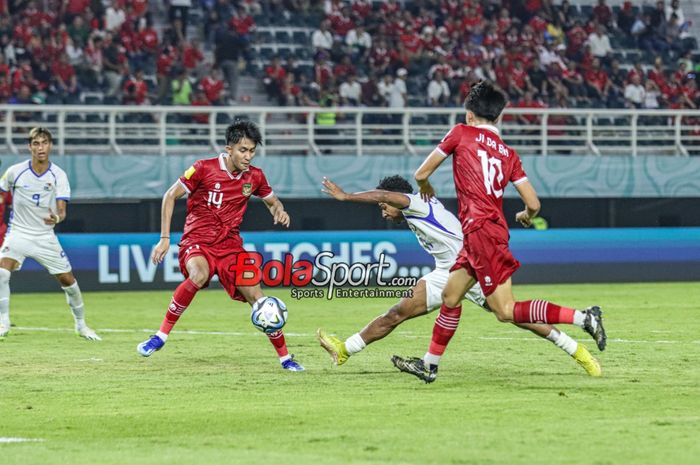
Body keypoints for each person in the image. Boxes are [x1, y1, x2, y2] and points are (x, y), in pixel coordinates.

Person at [392, 82, 606, 383]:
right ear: (498, 118)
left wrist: (425, 186)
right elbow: (533, 203)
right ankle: (429, 365)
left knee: (505, 310)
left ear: (469, 115)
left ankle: (583, 317)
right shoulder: (508, 153)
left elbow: (421, 173)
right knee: (451, 297)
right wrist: (525, 215)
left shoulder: (460, 133)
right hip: (487, 232)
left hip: (480, 231)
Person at [317, 176, 601, 377]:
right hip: (447, 271)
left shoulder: (415, 202)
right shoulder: (419, 209)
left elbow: (384, 195)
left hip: (471, 269)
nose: (383, 212)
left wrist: (346, 196)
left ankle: (578, 350)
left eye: (384, 207)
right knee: (397, 312)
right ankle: (345, 350)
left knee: (515, 316)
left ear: (397, 199)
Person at [136, 120, 304, 372]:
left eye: (252, 151)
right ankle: (160, 337)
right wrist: (164, 238)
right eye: (243, 150)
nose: (248, 156)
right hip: (198, 241)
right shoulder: (202, 168)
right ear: (229, 149)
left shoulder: (255, 176)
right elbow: (170, 196)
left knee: (259, 300)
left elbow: (273, 201)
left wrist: (279, 210)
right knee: (199, 274)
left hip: (231, 247)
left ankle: (285, 358)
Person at [0, 127, 100, 340]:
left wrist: (57, 218)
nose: (40, 147)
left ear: (50, 145)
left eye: (44, 142)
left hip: (45, 236)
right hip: (18, 233)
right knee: (1, 272)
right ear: (29, 147)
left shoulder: (58, 175)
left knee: (68, 282)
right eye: (36, 143)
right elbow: (1, 191)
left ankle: (81, 325)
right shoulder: (14, 172)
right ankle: (3, 322)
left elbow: (61, 211)